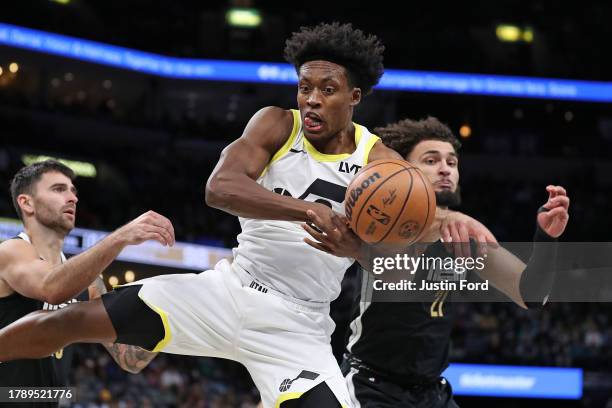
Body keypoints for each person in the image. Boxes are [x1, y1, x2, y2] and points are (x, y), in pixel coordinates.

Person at [0, 24, 494, 408]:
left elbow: (395, 258)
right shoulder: (277, 124)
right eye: (305, 87)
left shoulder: (382, 162)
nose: (313, 99)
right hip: (227, 290)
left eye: (328, 89)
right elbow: (220, 188)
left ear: (355, 97)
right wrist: (307, 210)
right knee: (64, 323)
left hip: (297, 326)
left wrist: (362, 249)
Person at [302, 117, 570, 407]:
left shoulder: (463, 235)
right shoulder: (380, 223)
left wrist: (546, 238)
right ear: (402, 169)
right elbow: (399, 278)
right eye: (431, 160)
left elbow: (531, 295)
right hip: (372, 387)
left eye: (452, 162)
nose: (445, 169)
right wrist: (446, 219)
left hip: (432, 393)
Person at [0, 160, 173, 406]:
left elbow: (130, 359)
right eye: (59, 189)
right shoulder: (11, 251)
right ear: (27, 202)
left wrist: (174, 302)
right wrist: (121, 236)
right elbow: (52, 288)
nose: (72, 198)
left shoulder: (88, 282)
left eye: (73, 191)